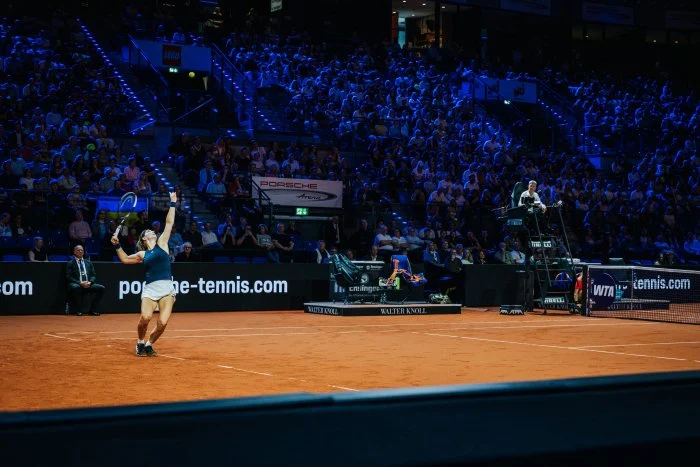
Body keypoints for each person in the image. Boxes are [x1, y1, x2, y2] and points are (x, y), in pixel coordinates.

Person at [111, 191, 178, 357]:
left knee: (162, 322)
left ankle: (149, 344)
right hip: (150, 290)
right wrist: (117, 245)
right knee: (145, 318)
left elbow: (169, 222)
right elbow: (125, 259)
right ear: (143, 238)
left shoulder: (162, 243)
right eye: (148, 231)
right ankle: (140, 342)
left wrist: (173, 203)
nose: (152, 231)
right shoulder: (143, 254)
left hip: (167, 289)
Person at [66, 244, 105, 316]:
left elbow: (93, 275)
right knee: (76, 287)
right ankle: (79, 310)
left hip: (88, 284)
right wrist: (80, 283)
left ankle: (92, 309)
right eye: (78, 250)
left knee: (101, 288)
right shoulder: (70, 263)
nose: (80, 251)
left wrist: (90, 282)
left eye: (82, 250)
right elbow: (69, 277)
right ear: (74, 252)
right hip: (77, 284)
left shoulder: (88, 262)